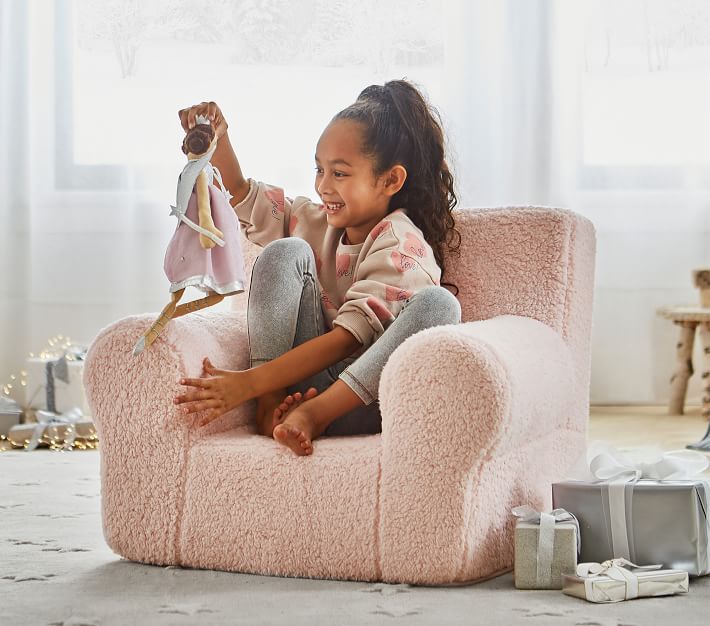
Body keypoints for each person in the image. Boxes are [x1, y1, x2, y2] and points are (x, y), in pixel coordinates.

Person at [173, 79, 462, 456]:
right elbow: (244, 197)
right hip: (300, 384)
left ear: (390, 179)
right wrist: (220, 140)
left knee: (440, 306)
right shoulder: (318, 221)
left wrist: (246, 383)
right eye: (319, 170)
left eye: (339, 173)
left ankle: (311, 415)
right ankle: (270, 406)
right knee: (284, 251)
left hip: (361, 400)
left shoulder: (401, 243)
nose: (324, 185)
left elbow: (348, 339)